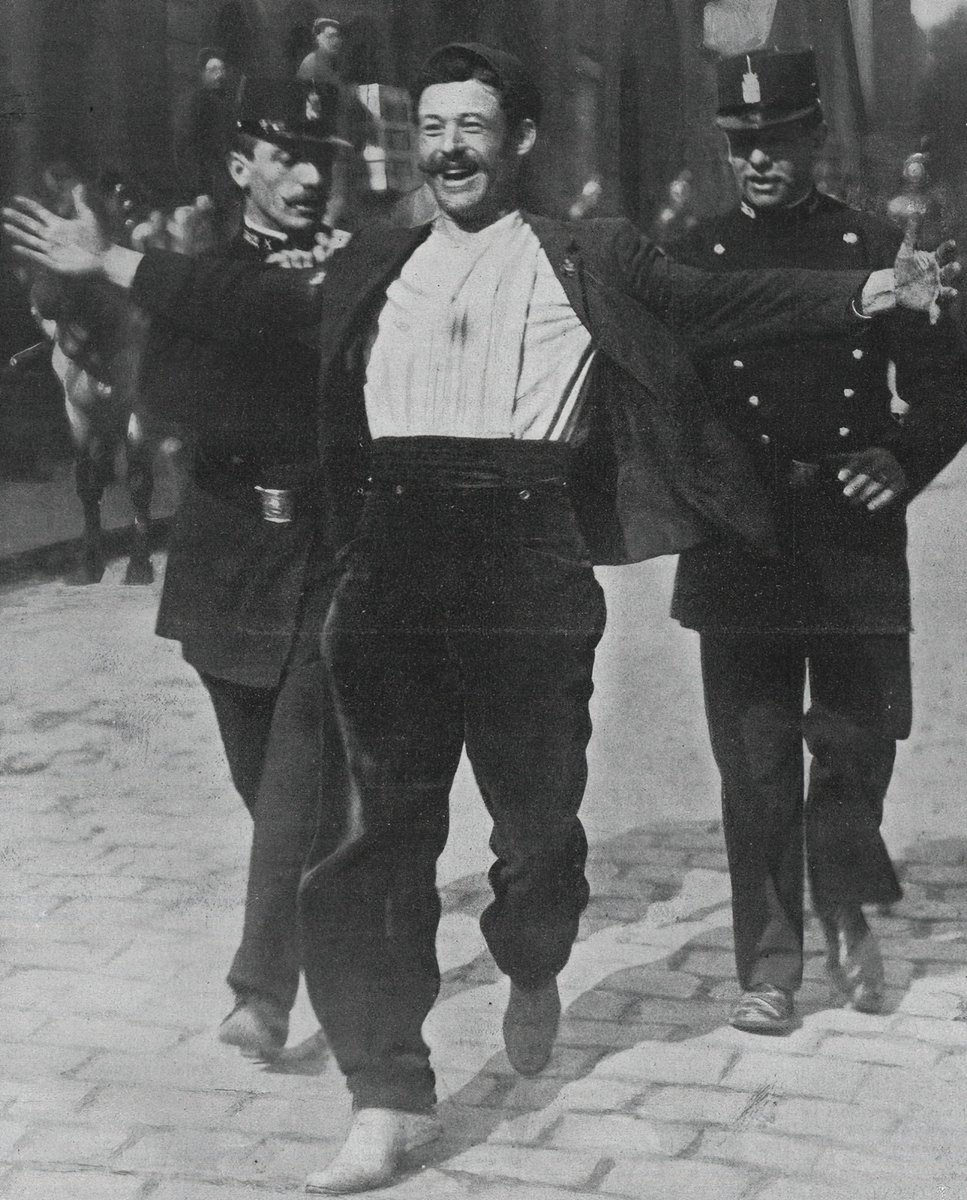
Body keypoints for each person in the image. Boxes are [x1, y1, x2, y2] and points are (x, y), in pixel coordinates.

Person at [2, 42, 957, 1195]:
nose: (450, 147)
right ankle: (386, 1093)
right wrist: (113, 261)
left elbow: (710, 303)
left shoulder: (587, 252)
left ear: (520, 141)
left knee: (536, 833)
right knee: (381, 835)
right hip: (391, 558)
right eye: (434, 128)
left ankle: (533, 954)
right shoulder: (373, 257)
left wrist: (866, 290)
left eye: (473, 126)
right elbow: (245, 300)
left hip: (528, 554)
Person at [666, 49, 967, 1035]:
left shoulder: (877, 247)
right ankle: (769, 965)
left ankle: (841, 896)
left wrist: (901, 457)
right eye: (740, 143)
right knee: (753, 764)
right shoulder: (693, 256)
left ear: (814, 138)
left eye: (777, 140)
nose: (757, 160)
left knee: (855, 744)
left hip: (849, 535)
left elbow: (950, 382)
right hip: (739, 540)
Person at [141, 76, 349, 1059]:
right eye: (286, 158)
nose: (307, 178)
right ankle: (338, 884)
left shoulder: (352, 272)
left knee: (295, 771)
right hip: (226, 557)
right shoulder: (202, 282)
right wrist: (280, 328)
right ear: (241, 169)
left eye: (321, 162)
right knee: (271, 786)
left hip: (328, 552)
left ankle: (261, 994)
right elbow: (173, 407)